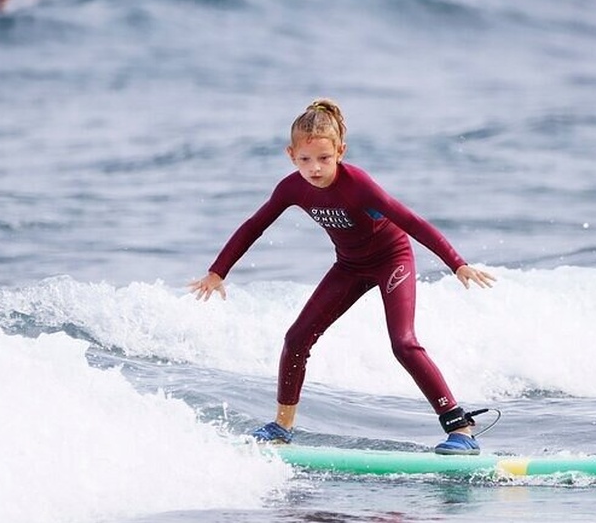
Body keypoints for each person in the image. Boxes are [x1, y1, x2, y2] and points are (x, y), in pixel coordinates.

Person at [189, 99, 496, 455]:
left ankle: (460, 427)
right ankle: (282, 426)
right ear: (291, 155)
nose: (315, 169)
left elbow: (411, 221)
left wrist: (456, 263)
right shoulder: (291, 188)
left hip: (391, 259)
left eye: (324, 158)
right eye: (305, 160)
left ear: (340, 151)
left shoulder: (359, 185)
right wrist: (217, 272)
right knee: (296, 338)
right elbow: (254, 226)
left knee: (403, 343)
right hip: (349, 266)